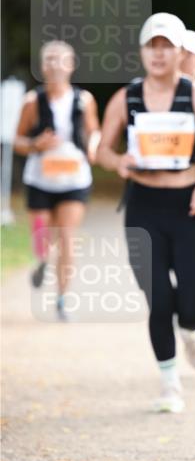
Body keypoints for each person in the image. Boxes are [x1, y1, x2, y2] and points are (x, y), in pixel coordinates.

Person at [97, 13, 195, 413]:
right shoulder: (127, 98)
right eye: (151, 46)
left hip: (190, 205)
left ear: (178, 52)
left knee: (191, 303)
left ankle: (191, 328)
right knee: (158, 297)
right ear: (142, 52)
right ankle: (170, 384)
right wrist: (120, 163)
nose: (158, 54)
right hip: (144, 206)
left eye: (166, 46)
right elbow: (101, 149)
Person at [13, 40, 100, 320]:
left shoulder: (84, 100)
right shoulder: (32, 101)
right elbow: (17, 141)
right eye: (49, 59)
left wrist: (94, 147)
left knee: (66, 238)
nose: (55, 65)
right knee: (41, 237)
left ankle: (62, 299)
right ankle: (41, 261)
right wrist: (36, 144)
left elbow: (94, 131)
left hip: (74, 179)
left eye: (61, 59)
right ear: (42, 67)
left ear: (72, 65)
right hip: (40, 179)